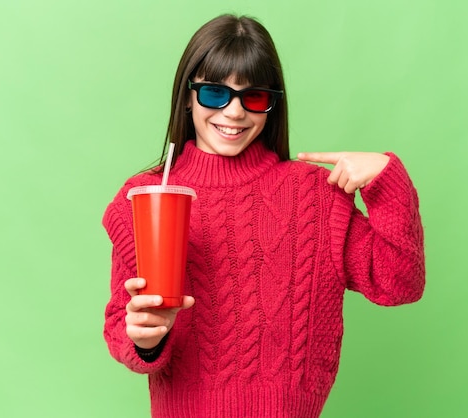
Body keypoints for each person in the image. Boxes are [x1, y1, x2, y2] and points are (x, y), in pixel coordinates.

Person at [103, 14, 425, 418]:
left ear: (272, 104)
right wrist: (144, 337)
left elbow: (399, 284)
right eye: (216, 94)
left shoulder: (316, 195)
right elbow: (122, 326)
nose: (235, 112)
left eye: (253, 97)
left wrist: (387, 180)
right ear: (188, 96)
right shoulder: (145, 197)